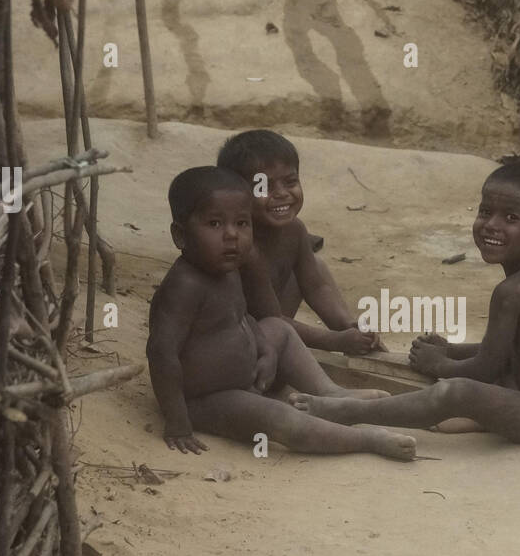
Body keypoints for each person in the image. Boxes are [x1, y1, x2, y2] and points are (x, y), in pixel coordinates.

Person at [292, 157, 520, 448]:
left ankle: (350, 411)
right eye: (486, 212)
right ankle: (485, 417)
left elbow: (487, 368)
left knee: (457, 391)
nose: (492, 225)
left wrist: (441, 365)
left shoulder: (514, 291)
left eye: (510, 218)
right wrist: (451, 350)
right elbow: (506, 349)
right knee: (475, 376)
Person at [146, 166, 416, 461]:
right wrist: (177, 421)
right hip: (210, 398)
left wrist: (265, 349)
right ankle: (365, 439)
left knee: (277, 326)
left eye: (242, 223)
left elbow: (243, 317)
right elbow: (162, 352)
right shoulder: (185, 285)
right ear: (180, 236)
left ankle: (330, 393)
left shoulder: (229, 269)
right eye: (214, 224)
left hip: (251, 374)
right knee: (278, 417)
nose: (232, 236)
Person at [216, 129, 382, 354]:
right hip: (240, 341)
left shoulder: (295, 230)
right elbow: (269, 318)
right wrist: (333, 341)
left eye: (290, 181)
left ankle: (358, 337)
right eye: (264, 187)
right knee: (272, 327)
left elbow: (316, 287)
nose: (282, 193)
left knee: (316, 267)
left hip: (276, 324)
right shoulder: (242, 245)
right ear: (236, 194)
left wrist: (347, 327)